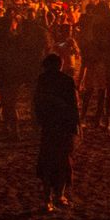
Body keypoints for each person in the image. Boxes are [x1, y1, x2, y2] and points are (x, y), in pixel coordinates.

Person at [33, 53, 80, 211]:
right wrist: (76, 126)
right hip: (64, 127)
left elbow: (37, 103)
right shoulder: (67, 81)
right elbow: (74, 106)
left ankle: (47, 199)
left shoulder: (42, 80)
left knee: (48, 161)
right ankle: (59, 196)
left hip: (49, 127)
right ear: (60, 65)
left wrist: (37, 122)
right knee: (63, 162)